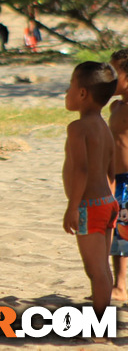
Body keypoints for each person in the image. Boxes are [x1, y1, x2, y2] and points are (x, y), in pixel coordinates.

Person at [62, 61, 119, 316]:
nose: (66, 93)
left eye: (69, 87)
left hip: (89, 206)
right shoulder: (104, 127)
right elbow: (111, 169)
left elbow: (80, 170)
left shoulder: (78, 128)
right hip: (108, 203)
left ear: (82, 93)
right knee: (102, 268)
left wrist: (72, 207)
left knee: (95, 271)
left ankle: (99, 326)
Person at [108, 50, 128, 302]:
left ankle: (121, 286)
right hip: (116, 179)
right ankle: (119, 284)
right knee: (118, 232)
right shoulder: (115, 106)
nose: (109, 79)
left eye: (115, 74)